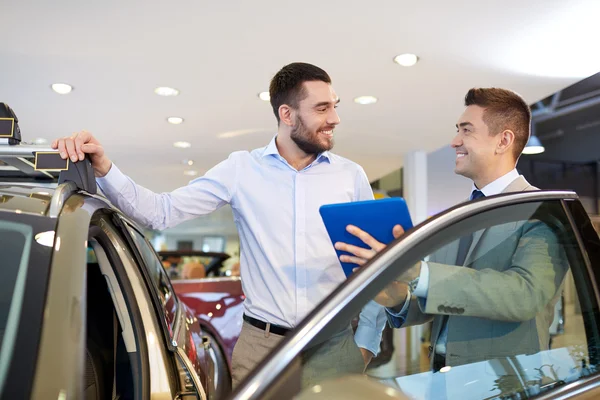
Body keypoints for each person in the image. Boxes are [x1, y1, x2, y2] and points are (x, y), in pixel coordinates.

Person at [53, 62, 386, 386]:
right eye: (323, 108)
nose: (335, 119)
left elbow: (376, 264)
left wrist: (367, 343)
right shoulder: (242, 169)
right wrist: (105, 169)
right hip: (262, 350)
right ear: (287, 114)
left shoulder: (349, 176)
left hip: (335, 347)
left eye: (335, 107)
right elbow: (161, 212)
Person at [334, 87, 569, 371]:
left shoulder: (542, 211)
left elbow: (524, 295)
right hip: (444, 379)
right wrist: (395, 298)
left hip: (504, 384)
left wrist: (421, 273)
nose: (454, 141)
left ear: (503, 141)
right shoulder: (460, 216)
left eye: (466, 131)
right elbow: (443, 298)